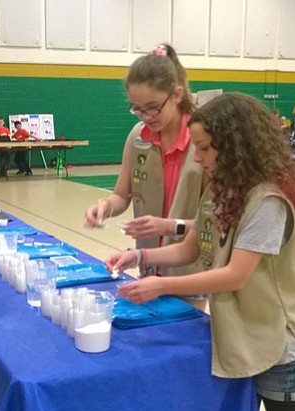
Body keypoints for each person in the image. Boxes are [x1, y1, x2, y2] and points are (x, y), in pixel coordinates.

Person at [107, 93, 295, 411]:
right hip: (243, 335)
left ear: (235, 147)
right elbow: (191, 248)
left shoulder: (267, 201)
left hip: (281, 344)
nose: (198, 158)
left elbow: (235, 275)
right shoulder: (222, 188)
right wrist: (139, 256)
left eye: (204, 148)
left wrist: (161, 285)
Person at [83, 43, 207, 309]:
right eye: (137, 108)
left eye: (153, 107)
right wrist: (104, 207)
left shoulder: (203, 143)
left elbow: (214, 223)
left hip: (191, 275)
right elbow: (121, 195)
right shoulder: (138, 137)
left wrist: (168, 225)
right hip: (147, 266)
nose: (146, 116)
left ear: (176, 95)